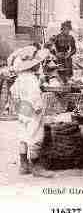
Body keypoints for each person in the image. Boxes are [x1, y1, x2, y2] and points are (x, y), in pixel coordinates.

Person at [11, 47, 53, 177]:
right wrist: (39, 108)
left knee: (23, 136)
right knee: (36, 136)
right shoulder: (32, 80)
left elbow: (14, 93)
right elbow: (35, 97)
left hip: (23, 108)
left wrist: (19, 105)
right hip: (32, 110)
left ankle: (23, 165)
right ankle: (36, 166)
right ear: (33, 66)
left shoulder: (20, 78)